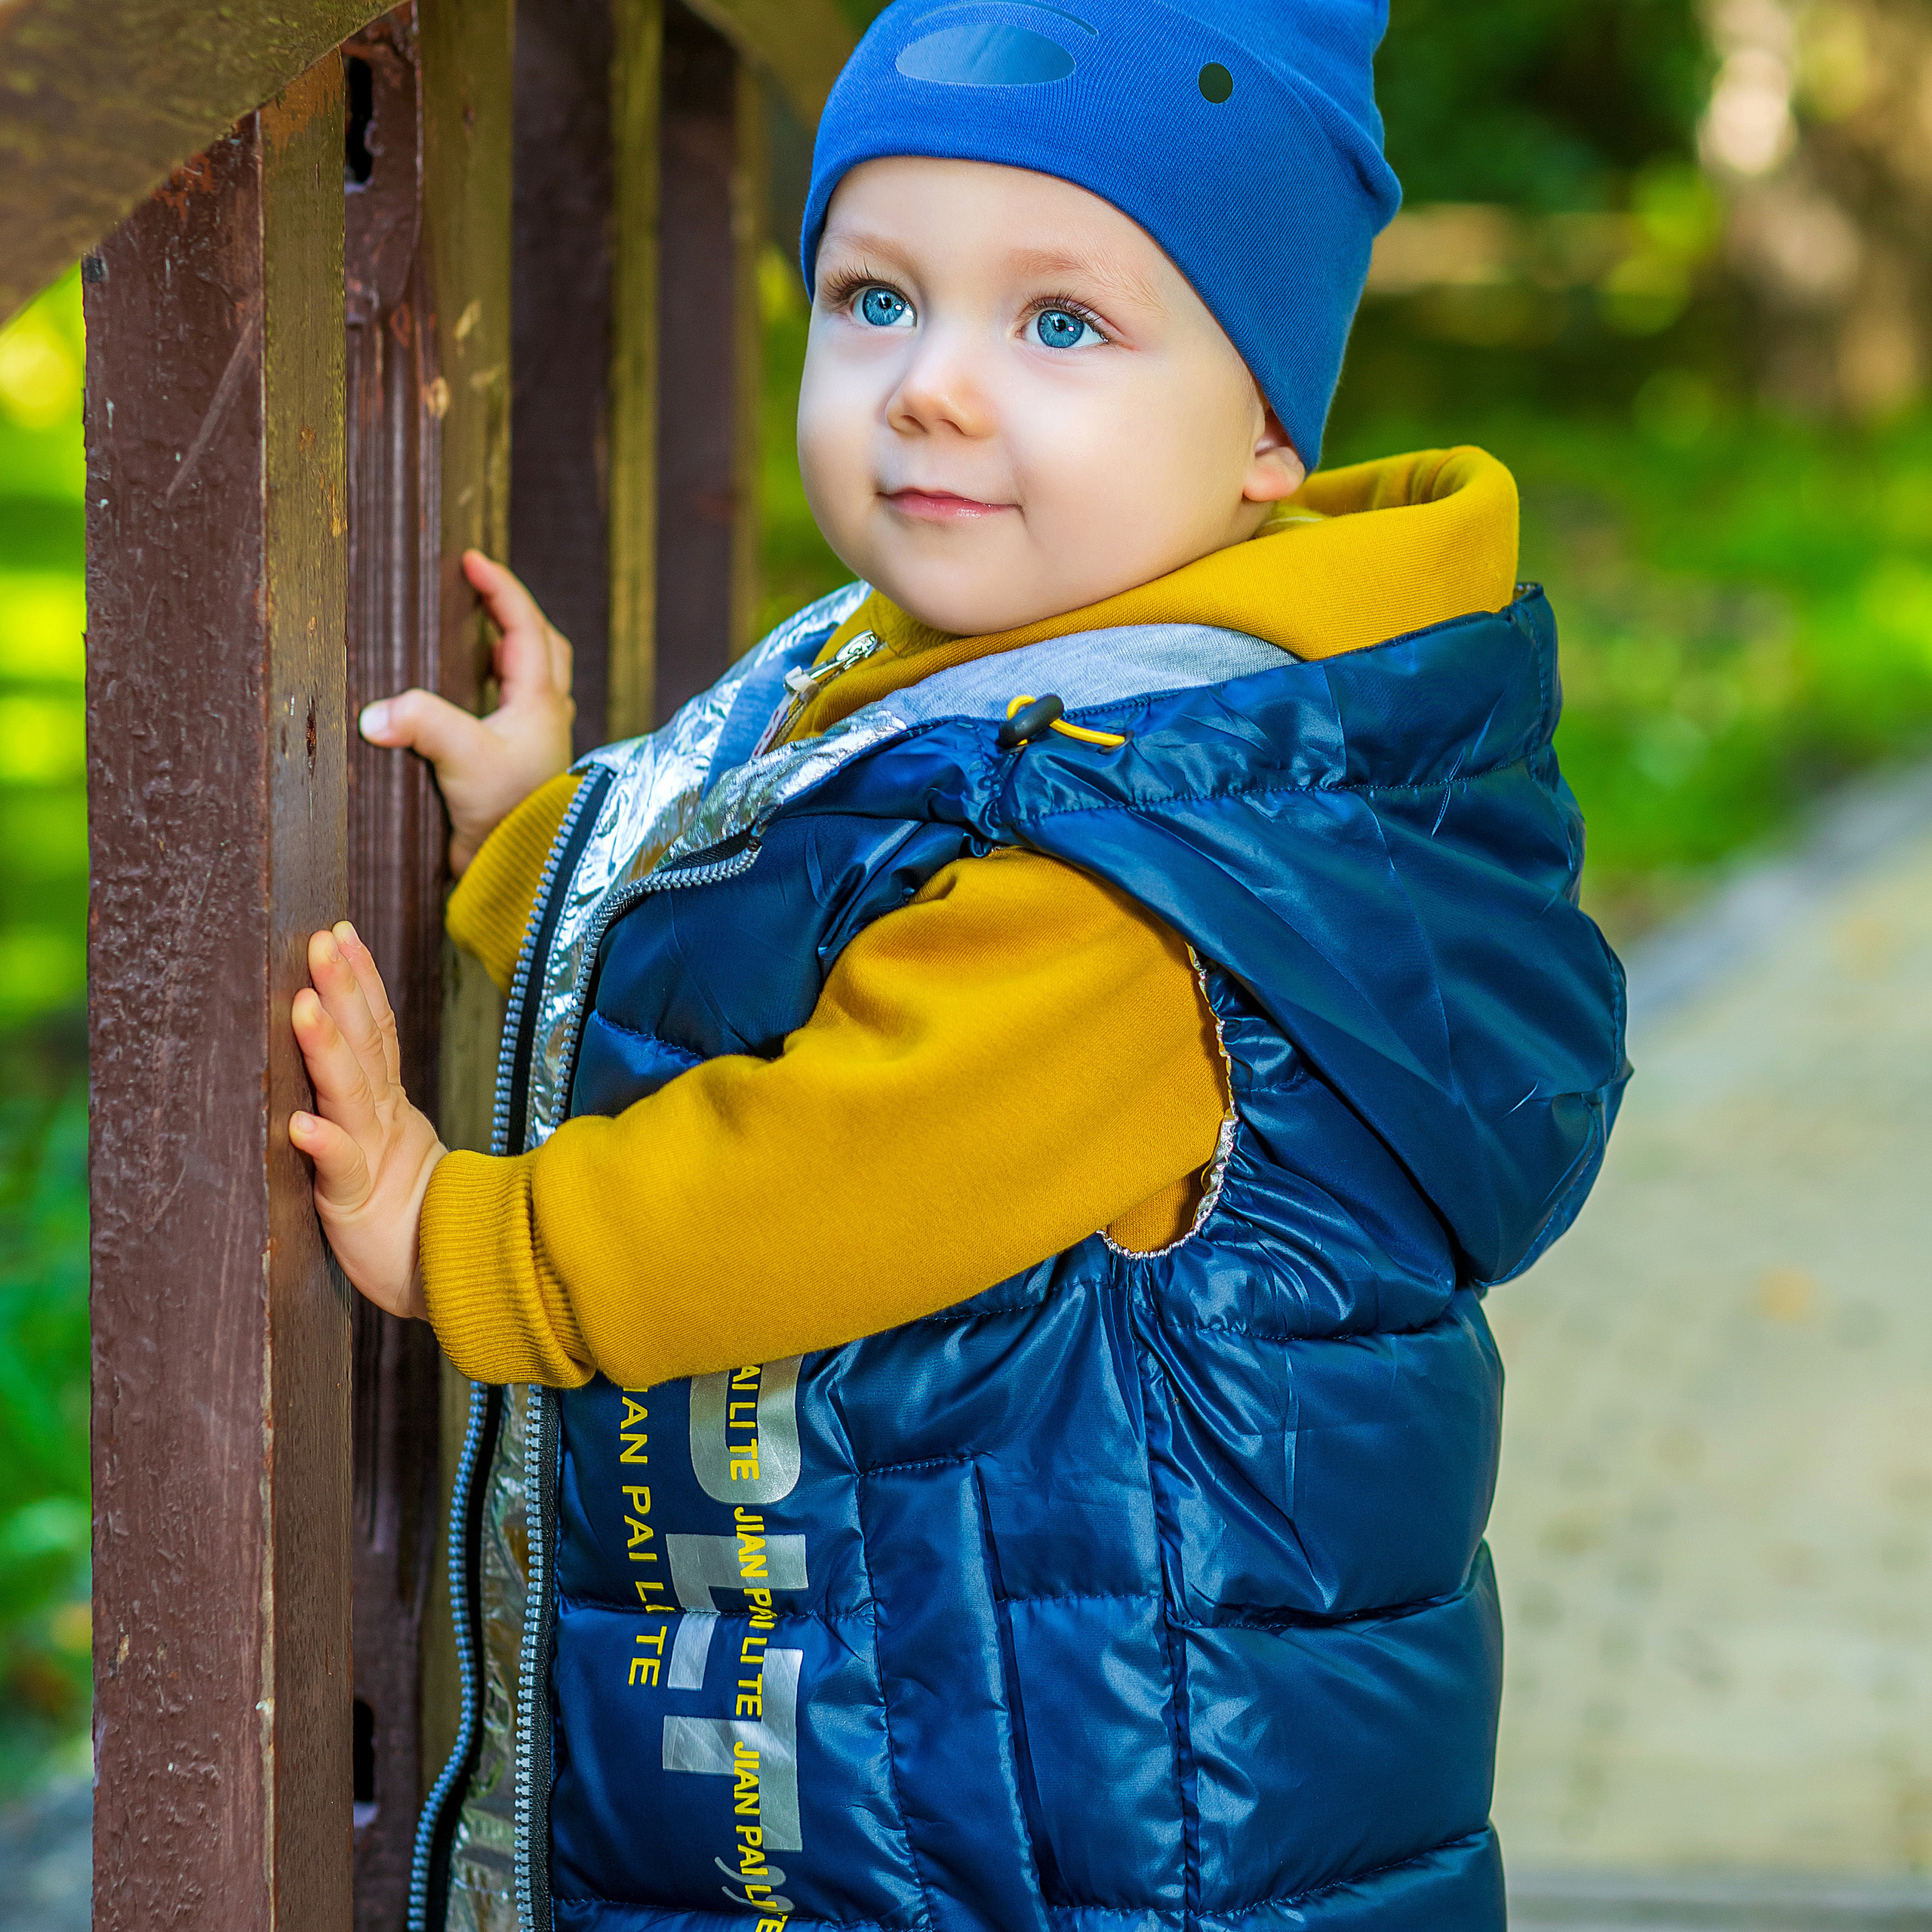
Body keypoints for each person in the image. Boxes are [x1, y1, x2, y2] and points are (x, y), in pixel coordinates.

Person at [291, 2, 1629, 1926]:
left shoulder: (1145, 868)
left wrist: (455, 1238)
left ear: (1265, 428)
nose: (929, 387)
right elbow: (769, 935)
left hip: (1093, 1843)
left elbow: (822, 1163)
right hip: (942, 1790)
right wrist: (545, 840)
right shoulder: (994, 688)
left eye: (1058, 324)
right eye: (873, 299)